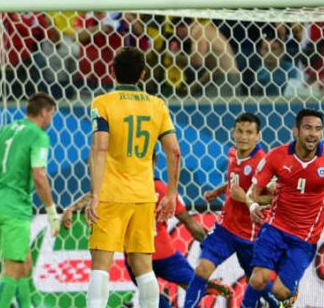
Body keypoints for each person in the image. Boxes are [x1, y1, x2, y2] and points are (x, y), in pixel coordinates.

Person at [85, 46, 181, 308]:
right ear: (143, 74)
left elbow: (100, 148)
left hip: (111, 195)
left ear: (112, 71)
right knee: (143, 266)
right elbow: (174, 151)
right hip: (143, 196)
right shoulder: (157, 105)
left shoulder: (102, 103)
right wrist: (171, 193)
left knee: (101, 265)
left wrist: (94, 195)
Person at [240, 109, 324, 308]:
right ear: (296, 131)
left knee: (281, 292)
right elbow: (253, 190)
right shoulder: (276, 156)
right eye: (307, 128)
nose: (313, 133)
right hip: (274, 228)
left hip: (305, 238)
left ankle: (289, 293)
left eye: (318, 129)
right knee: (257, 279)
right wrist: (253, 205)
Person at [65, 165, 214, 308]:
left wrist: (71, 208)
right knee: (196, 287)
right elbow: (191, 225)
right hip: (165, 255)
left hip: (135, 257)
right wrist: (212, 249)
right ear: (153, 162)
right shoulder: (162, 189)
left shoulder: (121, 187)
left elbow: (95, 195)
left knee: (153, 299)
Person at [184, 113, 271, 308]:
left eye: (249, 132)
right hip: (225, 228)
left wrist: (247, 199)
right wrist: (218, 191)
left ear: (258, 136)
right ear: (233, 132)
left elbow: (276, 196)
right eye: (240, 131)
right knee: (202, 270)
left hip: (250, 235)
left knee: (257, 283)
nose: (244, 136)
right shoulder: (233, 153)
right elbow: (235, 179)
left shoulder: (262, 163)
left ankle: (279, 303)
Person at [0, 92, 60, 308]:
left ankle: (29, 305)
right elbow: (39, 175)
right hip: (15, 209)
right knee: (14, 268)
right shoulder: (38, 135)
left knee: (24, 262)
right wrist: (52, 212)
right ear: (44, 112)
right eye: (51, 114)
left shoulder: (5, 130)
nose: (51, 120)